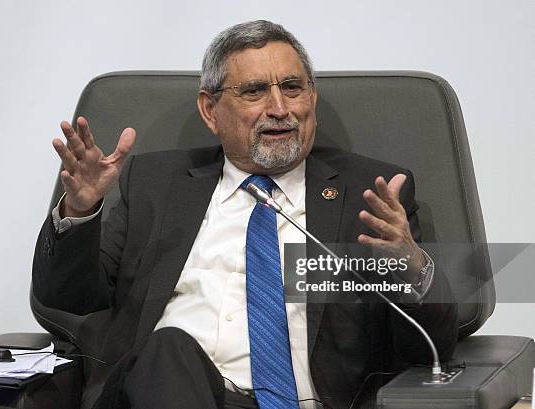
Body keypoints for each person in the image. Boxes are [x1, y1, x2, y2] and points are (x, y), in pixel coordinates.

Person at [33, 20, 457, 409]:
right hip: (169, 394)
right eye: (254, 91)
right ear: (209, 110)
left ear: (312, 97)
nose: (279, 107)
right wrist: (81, 209)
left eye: (292, 87)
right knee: (170, 348)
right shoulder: (155, 185)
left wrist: (410, 266)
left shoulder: (371, 194)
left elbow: (429, 348)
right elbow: (68, 297)